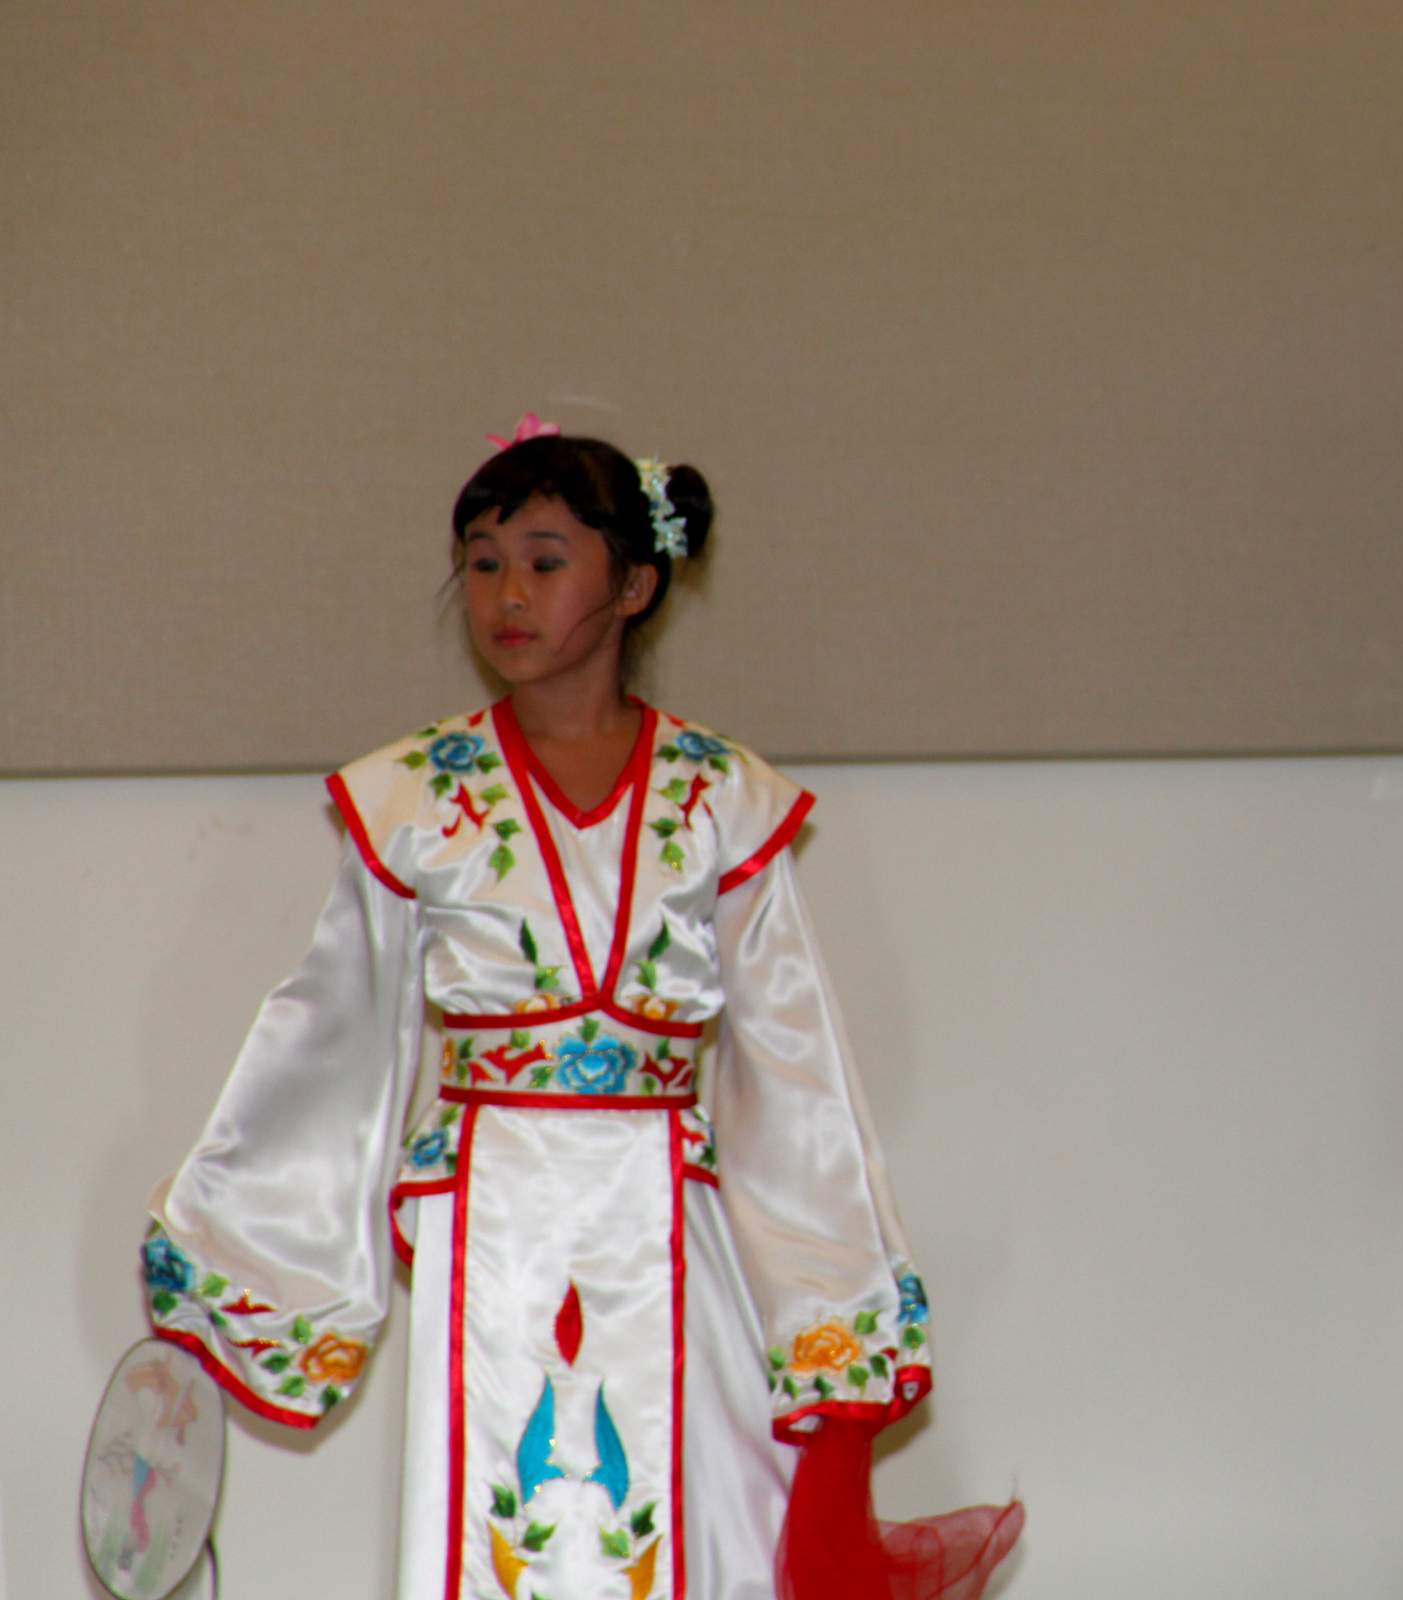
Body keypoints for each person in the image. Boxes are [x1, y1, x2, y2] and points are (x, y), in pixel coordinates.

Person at [142, 417, 1020, 1600]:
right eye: (482, 561)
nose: (507, 593)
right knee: (502, 1515)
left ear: (636, 583)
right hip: (491, 1223)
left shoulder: (718, 797)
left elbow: (794, 1072)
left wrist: (828, 1306)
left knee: (696, 1525)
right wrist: (241, 1252)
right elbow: (329, 1035)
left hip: (671, 1224)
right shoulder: (418, 798)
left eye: (546, 560)